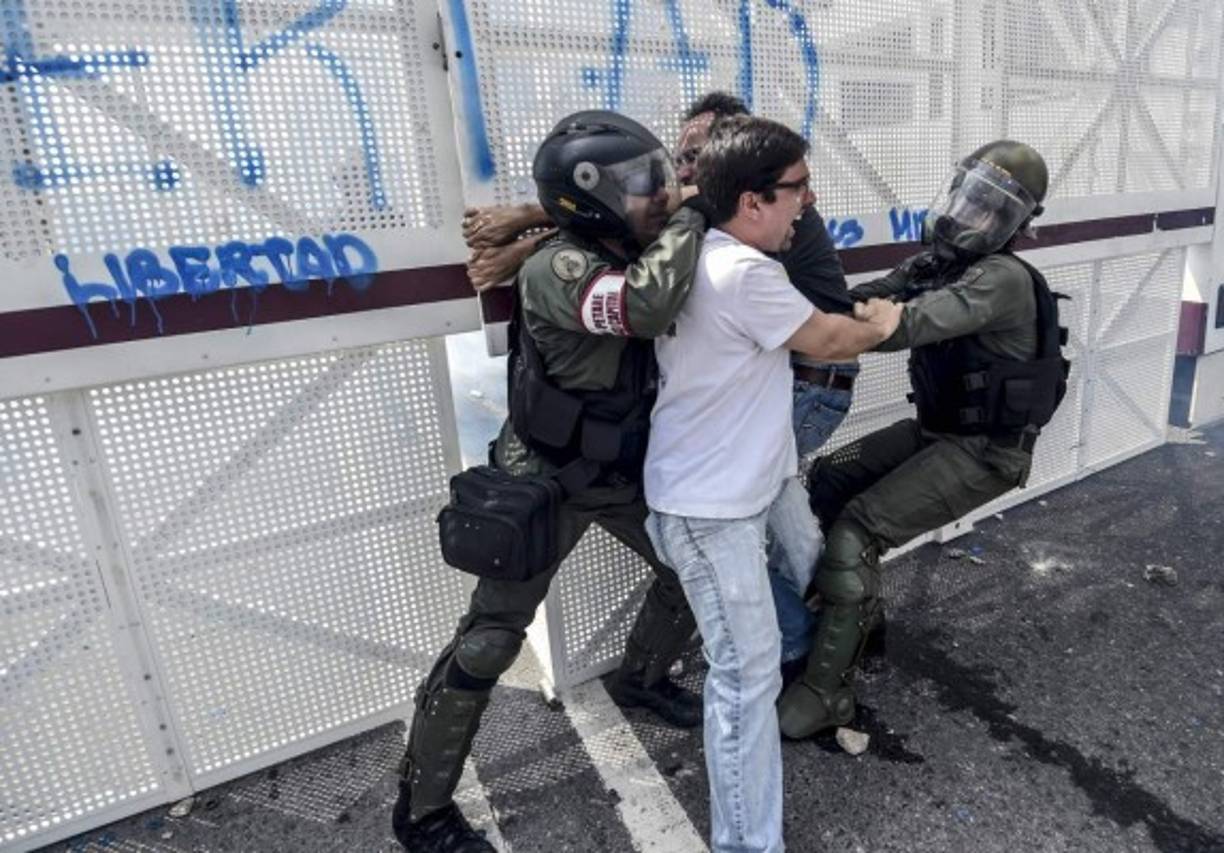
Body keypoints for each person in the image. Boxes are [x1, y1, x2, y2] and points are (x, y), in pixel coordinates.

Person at [393, 111, 711, 852]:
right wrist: (694, 209)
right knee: (487, 643)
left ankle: (642, 676)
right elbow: (642, 305)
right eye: (641, 187)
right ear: (589, 201)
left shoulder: (615, 242)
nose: (659, 196)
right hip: (545, 476)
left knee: (688, 572)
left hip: (617, 471)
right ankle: (423, 808)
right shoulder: (559, 265)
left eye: (658, 180)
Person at [464, 92, 859, 669]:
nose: (681, 174)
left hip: (804, 386)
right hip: (774, 382)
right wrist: (534, 243)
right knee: (770, 533)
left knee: (725, 532)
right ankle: (814, 639)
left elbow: (658, 230)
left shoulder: (763, 204)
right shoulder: (729, 206)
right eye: (679, 158)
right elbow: (627, 223)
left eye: (698, 157)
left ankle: (791, 649)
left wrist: (528, 221)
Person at [643, 114, 901, 853]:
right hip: (711, 510)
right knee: (745, 678)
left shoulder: (705, 253)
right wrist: (885, 318)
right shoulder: (743, 272)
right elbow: (830, 337)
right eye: (795, 188)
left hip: (726, 491)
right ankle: (747, 843)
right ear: (752, 201)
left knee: (781, 609)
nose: (807, 201)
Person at [777, 140, 1070, 740]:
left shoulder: (1001, 279)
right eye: (972, 199)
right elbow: (864, 301)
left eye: (994, 210)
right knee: (831, 478)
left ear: (1016, 223)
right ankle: (858, 623)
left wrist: (840, 325)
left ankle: (827, 693)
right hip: (939, 432)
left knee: (857, 528)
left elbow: (899, 326)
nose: (974, 216)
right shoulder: (940, 262)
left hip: (986, 452)